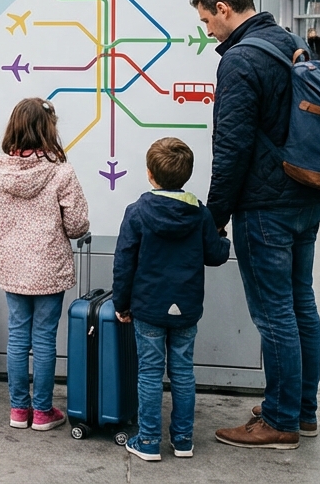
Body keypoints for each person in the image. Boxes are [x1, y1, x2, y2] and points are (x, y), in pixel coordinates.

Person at [191, 0, 320, 449]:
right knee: (300, 305)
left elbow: (231, 147)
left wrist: (215, 214)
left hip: (265, 206)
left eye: (207, 19)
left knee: (275, 315)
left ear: (225, 8)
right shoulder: (289, 42)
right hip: (307, 195)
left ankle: (279, 421)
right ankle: (301, 408)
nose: (207, 30)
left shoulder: (240, 59)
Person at [112, 137, 231, 462]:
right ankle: (182, 440)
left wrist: (121, 304)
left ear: (150, 174)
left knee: (150, 372)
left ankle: (148, 441)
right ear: (187, 175)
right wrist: (223, 238)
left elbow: (124, 262)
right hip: (187, 309)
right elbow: (217, 255)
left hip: (148, 308)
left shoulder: (136, 213)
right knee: (182, 372)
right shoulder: (200, 214)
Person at [0, 97, 89, 429]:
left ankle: (18, 410)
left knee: (18, 336)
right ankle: (42, 412)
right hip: (49, 268)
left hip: (13, 268)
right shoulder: (62, 172)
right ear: (48, 130)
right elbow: (77, 225)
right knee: (43, 338)